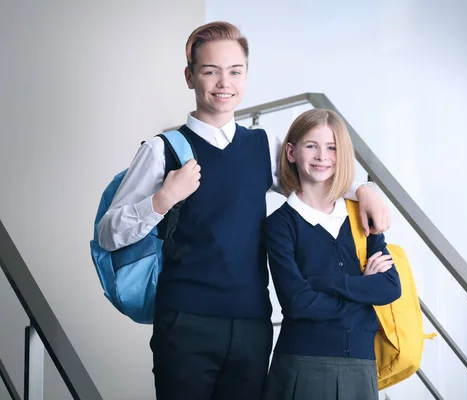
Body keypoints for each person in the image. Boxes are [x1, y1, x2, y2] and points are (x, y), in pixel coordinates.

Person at [97, 21, 391, 400]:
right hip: (185, 321)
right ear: (190, 77)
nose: (224, 83)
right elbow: (108, 233)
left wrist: (365, 188)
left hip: (253, 324)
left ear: (246, 76)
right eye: (210, 71)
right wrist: (162, 200)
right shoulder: (161, 150)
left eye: (235, 71)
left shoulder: (263, 145)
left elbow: (316, 170)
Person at [263, 108, 401, 400]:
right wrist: (363, 289)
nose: (322, 156)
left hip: (362, 366)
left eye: (332, 148)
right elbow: (298, 303)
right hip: (302, 364)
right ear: (291, 152)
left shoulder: (361, 216)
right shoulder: (279, 225)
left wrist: (324, 283)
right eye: (311, 145)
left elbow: (390, 287)